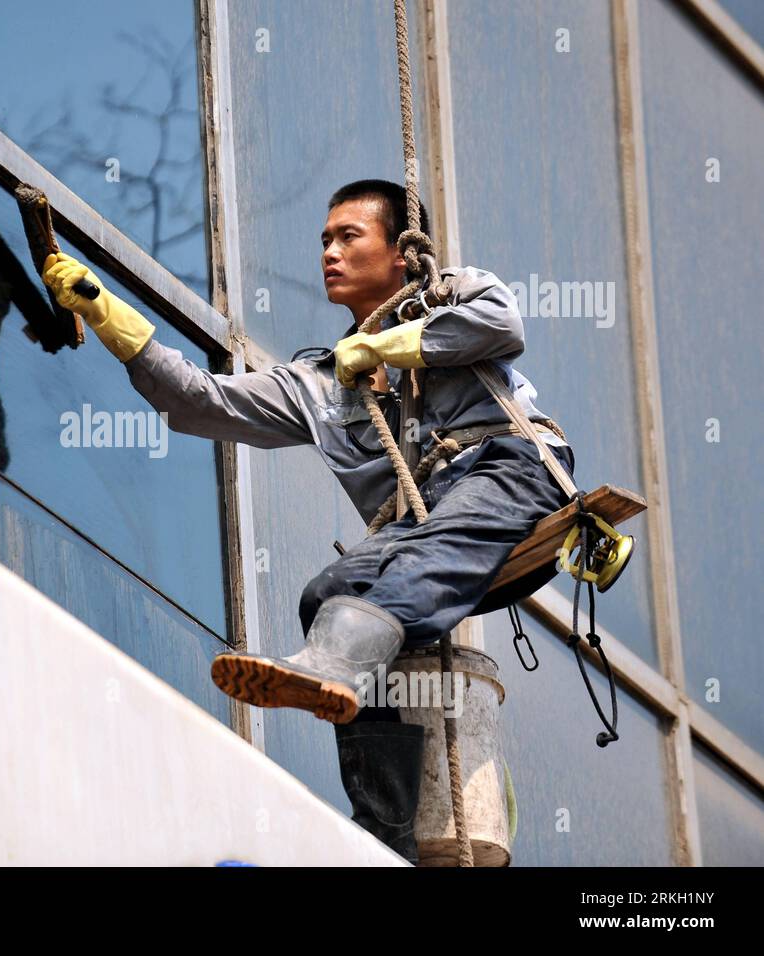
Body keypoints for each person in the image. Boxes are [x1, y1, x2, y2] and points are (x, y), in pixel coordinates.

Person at [42, 179, 575, 862]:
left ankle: (339, 661)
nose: (329, 251)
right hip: (427, 526)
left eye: (348, 236)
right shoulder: (321, 384)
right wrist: (112, 317)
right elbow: (203, 403)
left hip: (508, 470)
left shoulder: (450, 294)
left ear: (402, 254)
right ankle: (383, 830)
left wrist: (387, 348)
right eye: (325, 239)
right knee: (327, 593)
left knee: (414, 564)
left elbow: (503, 326)